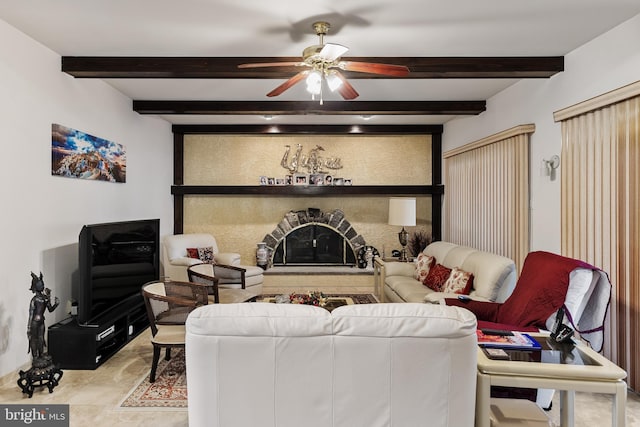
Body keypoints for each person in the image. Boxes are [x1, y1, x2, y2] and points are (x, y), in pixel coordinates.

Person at [27, 272, 59, 361]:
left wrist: (56, 304)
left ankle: (41, 355)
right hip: (34, 321)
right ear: (35, 286)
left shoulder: (45, 298)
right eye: (40, 284)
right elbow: (31, 314)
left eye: (42, 284)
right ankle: (35, 357)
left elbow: (50, 309)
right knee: (34, 339)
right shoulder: (34, 299)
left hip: (41, 321)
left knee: (41, 337)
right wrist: (29, 327)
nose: (42, 286)